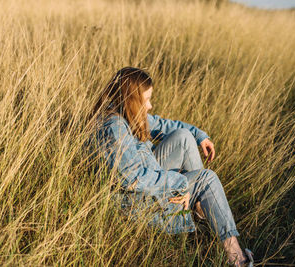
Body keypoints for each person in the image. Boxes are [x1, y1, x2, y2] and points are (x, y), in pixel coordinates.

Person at [92, 67, 253, 266]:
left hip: (149, 177)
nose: (150, 106)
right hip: (136, 202)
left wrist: (200, 136)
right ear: (131, 100)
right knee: (207, 178)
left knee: (184, 137)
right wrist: (179, 182)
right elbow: (132, 178)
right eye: (146, 100)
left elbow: (162, 124)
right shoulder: (114, 128)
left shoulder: (124, 112)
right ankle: (237, 258)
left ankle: (196, 208)